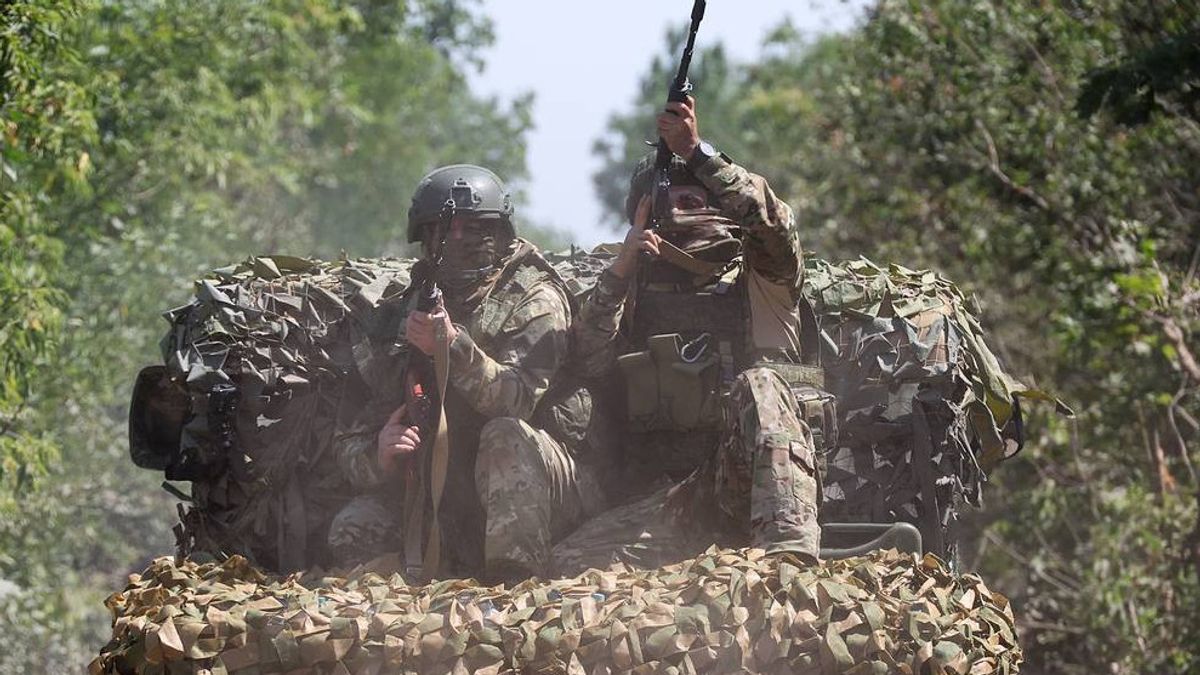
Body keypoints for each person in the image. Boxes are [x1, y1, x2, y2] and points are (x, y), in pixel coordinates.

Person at [572, 96, 825, 563]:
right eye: (679, 197)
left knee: (763, 385)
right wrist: (623, 268)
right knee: (564, 568)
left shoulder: (761, 277)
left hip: (747, 492)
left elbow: (772, 224)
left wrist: (696, 154)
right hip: (665, 505)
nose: (694, 205)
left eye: (702, 196)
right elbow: (588, 360)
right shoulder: (629, 287)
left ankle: (788, 567)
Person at [328, 165, 608, 581]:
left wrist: (452, 346)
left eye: (474, 229)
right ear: (425, 239)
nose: (457, 241)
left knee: (504, 436)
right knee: (352, 529)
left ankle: (515, 589)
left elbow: (516, 401)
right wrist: (379, 453)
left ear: (499, 235)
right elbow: (352, 435)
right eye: (443, 231)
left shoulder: (534, 299)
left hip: (546, 486)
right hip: (451, 494)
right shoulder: (404, 313)